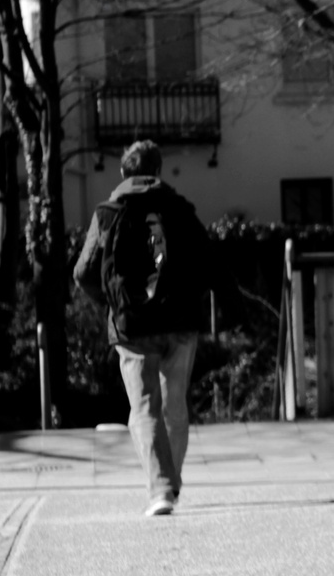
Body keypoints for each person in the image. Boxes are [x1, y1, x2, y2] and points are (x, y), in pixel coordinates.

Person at [74, 140, 226, 517]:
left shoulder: (108, 213)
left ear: (124, 172)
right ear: (157, 171)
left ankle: (161, 489)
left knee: (144, 408)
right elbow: (208, 263)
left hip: (132, 325)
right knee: (175, 405)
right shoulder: (180, 210)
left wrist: (113, 301)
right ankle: (171, 484)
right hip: (179, 322)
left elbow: (83, 272)